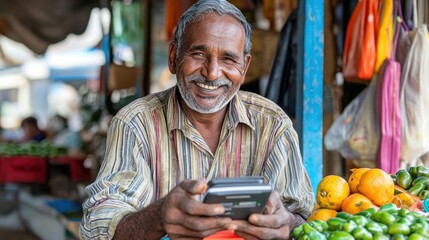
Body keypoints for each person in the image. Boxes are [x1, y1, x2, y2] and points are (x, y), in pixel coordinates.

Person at [80, 0, 314, 239]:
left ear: (244, 68)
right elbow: (98, 228)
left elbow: (306, 221)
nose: (212, 73)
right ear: (173, 58)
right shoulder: (135, 123)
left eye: (228, 59)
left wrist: (284, 222)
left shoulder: (272, 125)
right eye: (198, 54)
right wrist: (160, 216)